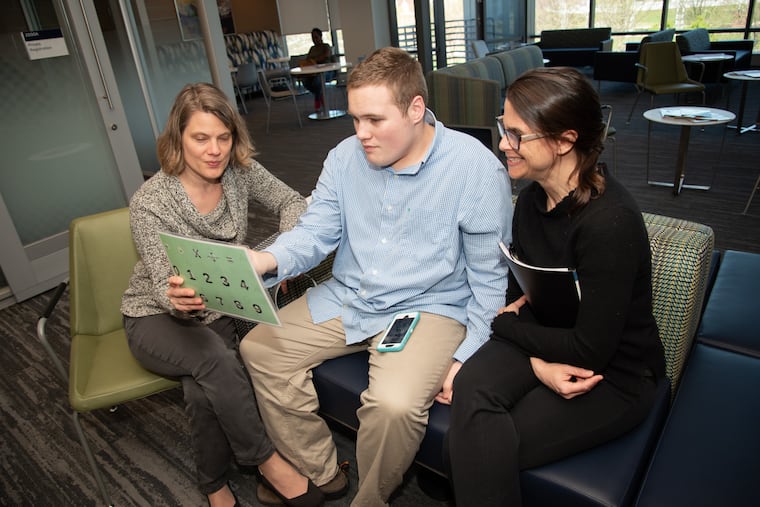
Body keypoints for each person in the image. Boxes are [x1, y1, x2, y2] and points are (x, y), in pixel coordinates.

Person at [240, 47, 511, 506]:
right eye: (354, 119)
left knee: (393, 406)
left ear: (416, 109)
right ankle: (321, 472)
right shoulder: (345, 157)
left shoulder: (476, 169)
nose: (361, 134)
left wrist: (467, 355)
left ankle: (369, 500)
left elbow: (489, 281)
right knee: (259, 349)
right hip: (351, 294)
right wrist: (263, 262)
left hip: (429, 307)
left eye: (375, 120)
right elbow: (316, 232)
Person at [447, 67, 666, 506]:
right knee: (471, 386)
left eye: (516, 134)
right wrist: (537, 363)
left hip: (613, 375)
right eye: (502, 129)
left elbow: (589, 350)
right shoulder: (530, 200)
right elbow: (520, 292)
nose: (504, 145)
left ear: (565, 140)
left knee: (483, 448)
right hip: (549, 336)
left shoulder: (609, 223)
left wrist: (505, 329)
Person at [120, 82, 324, 507]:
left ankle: (212, 483)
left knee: (203, 385)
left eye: (223, 138)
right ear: (178, 139)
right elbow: (161, 286)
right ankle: (265, 461)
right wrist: (179, 299)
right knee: (215, 361)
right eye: (200, 138)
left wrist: (283, 252)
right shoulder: (150, 201)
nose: (214, 150)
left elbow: (292, 202)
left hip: (226, 306)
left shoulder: (238, 172)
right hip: (157, 317)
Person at [298, 28, 333, 112]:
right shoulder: (312, 48)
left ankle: (317, 99)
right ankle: (320, 95)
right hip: (314, 72)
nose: (314, 39)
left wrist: (314, 60)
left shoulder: (326, 46)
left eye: (316, 37)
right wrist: (313, 61)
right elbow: (308, 60)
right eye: (313, 37)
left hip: (327, 71)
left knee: (317, 82)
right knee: (305, 81)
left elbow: (325, 56)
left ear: (321, 37)